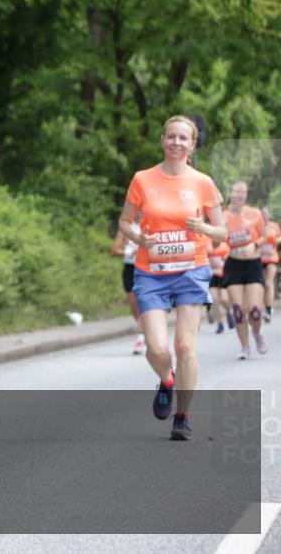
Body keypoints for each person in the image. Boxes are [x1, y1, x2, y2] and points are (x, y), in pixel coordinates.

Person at [118, 115, 226, 441]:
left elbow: (222, 233)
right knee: (155, 347)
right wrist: (139, 239)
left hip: (191, 270)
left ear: (192, 145)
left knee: (185, 345)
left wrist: (203, 229)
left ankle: (183, 415)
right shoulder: (142, 179)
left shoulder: (203, 182)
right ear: (163, 140)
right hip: (151, 272)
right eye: (172, 137)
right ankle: (167, 380)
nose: (177, 143)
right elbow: (125, 222)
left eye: (184, 138)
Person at [222, 182, 268, 358]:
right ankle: (244, 347)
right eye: (236, 191)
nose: (239, 195)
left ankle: (257, 334)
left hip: (253, 265)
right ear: (231, 193)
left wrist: (254, 243)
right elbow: (219, 240)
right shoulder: (224, 216)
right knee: (238, 310)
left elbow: (265, 236)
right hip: (233, 265)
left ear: (246, 196)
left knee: (255, 311)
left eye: (243, 192)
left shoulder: (254, 214)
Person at [111, 222, 145, 354]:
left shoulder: (149, 223)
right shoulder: (126, 227)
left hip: (145, 268)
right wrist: (129, 251)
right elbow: (114, 250)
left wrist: (142, 249)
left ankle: (140, 338)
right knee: (134, 307)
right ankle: (147, 330)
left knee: (143, 304)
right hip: (130, 269)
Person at [206, 234, 231, 334]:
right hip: (212, 274)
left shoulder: (225, 242)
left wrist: (227, 257)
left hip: (225, 273)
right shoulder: (206, 242)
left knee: (224, 299)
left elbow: (233, 250)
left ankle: (229, 313)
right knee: (213, 299)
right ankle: (219, 323)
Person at [261, 207, 279, 323]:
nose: (264, 216)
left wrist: (276, 241)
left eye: (265, 214)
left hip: (272, 257)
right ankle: (266, 308)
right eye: (262, 214)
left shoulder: (274, 225)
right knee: (262, 285)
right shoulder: (257, 225)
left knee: (268, 283)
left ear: (269, 215)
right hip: (260, 258)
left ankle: (269, 308)